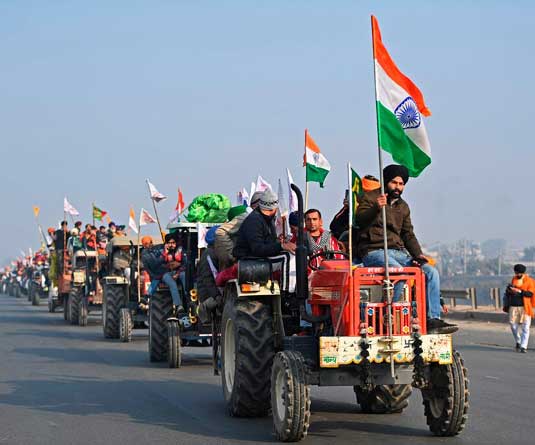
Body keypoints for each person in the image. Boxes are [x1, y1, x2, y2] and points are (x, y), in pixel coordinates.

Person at [355, 164, 456, 334]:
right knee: (399, 272)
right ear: (387, 181)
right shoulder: (371, 198)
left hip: (398, 252)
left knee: (431, 272)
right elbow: (359, 221)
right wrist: (375, 208)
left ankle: (432, 319)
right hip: (374, 251)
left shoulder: (403, 206)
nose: (397, 187)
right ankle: (388, 314)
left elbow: (408, 234)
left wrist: (418, 254)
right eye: (394, 183)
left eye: (401, 184)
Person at [233, 189, 296, 259]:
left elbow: (269, 242)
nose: (268, 214)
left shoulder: (269, 219)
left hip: (258, 258)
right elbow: (258, 249)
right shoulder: (254, 221)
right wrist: (281, 246)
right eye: (267, 210)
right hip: (248, 260)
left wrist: (280, 243)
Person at [142, 233, 185, 316]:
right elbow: (156, 263)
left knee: (185, 277)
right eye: (146, 243)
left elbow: (183, 262)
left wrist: (178, 268)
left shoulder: (178, 250)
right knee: (160, 279)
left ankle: (188, 299)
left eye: (150, 242)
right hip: (160, 273)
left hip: (174, 271)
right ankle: (178, 305)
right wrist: (164, 255)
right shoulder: (146, 254)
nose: (149, 245)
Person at [504, 264, 535, 353]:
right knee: (513, 326)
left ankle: (523, 346)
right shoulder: (513, 280)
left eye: (519, 273)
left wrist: (520, 291)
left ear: (523, 273)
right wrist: (509, 290)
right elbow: (508, 293)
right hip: (513, 307)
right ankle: (518, 340)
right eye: (516, 273)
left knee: (526, 327)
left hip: (525, 307)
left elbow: (530, 294)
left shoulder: (529, 281)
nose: (517, 275)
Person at [197, 226, 221, 323]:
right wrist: (216, 296)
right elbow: (208, 279)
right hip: (209, 294)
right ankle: (203, 309)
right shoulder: (209, 254)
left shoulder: (216, 253)